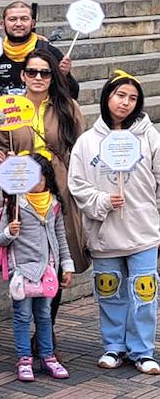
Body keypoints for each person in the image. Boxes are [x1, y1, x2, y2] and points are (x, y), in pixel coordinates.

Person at [69, 70, 160, 374]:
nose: (126, 103)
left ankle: (142, 350)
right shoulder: (87, 142)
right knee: (109, 289)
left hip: (142, 229)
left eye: (133, 98)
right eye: (120, 95)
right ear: (107, 96)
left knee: (144, 291)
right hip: (105, 231)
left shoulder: (150, 136)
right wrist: (104, 201)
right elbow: (77, 184)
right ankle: (113, 346)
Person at [0, 49, 88, 353]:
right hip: (21, 188)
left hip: (57, 188)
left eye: (44, 73)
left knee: (55, 257)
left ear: (54, 76)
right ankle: (27, 329)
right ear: (22, 75)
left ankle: (46, 329)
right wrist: (2, 159)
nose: (38, 78)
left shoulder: (67, 107)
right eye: (32, 72)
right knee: (27, 260)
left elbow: (81, 147)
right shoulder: (8, 108)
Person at [0, 154, 74, 382]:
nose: (35, 182)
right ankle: (24, 359)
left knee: (44, 314)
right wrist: (10, 231)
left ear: (47, 178)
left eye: (39, 177)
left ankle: (48, 356)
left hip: (48, 270)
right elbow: (0, 239)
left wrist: (66, 266)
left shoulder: (55, 204)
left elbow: (60, 236)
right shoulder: (13, 205)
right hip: (22, 272)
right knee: (21, 315)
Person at [0, 1, 76, 97]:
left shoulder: (49, 52)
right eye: (12, 19)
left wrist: (65, 76)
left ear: (32, 23)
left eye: (24, 19)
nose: (18, 24)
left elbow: (73, 94)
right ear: (3, 24)